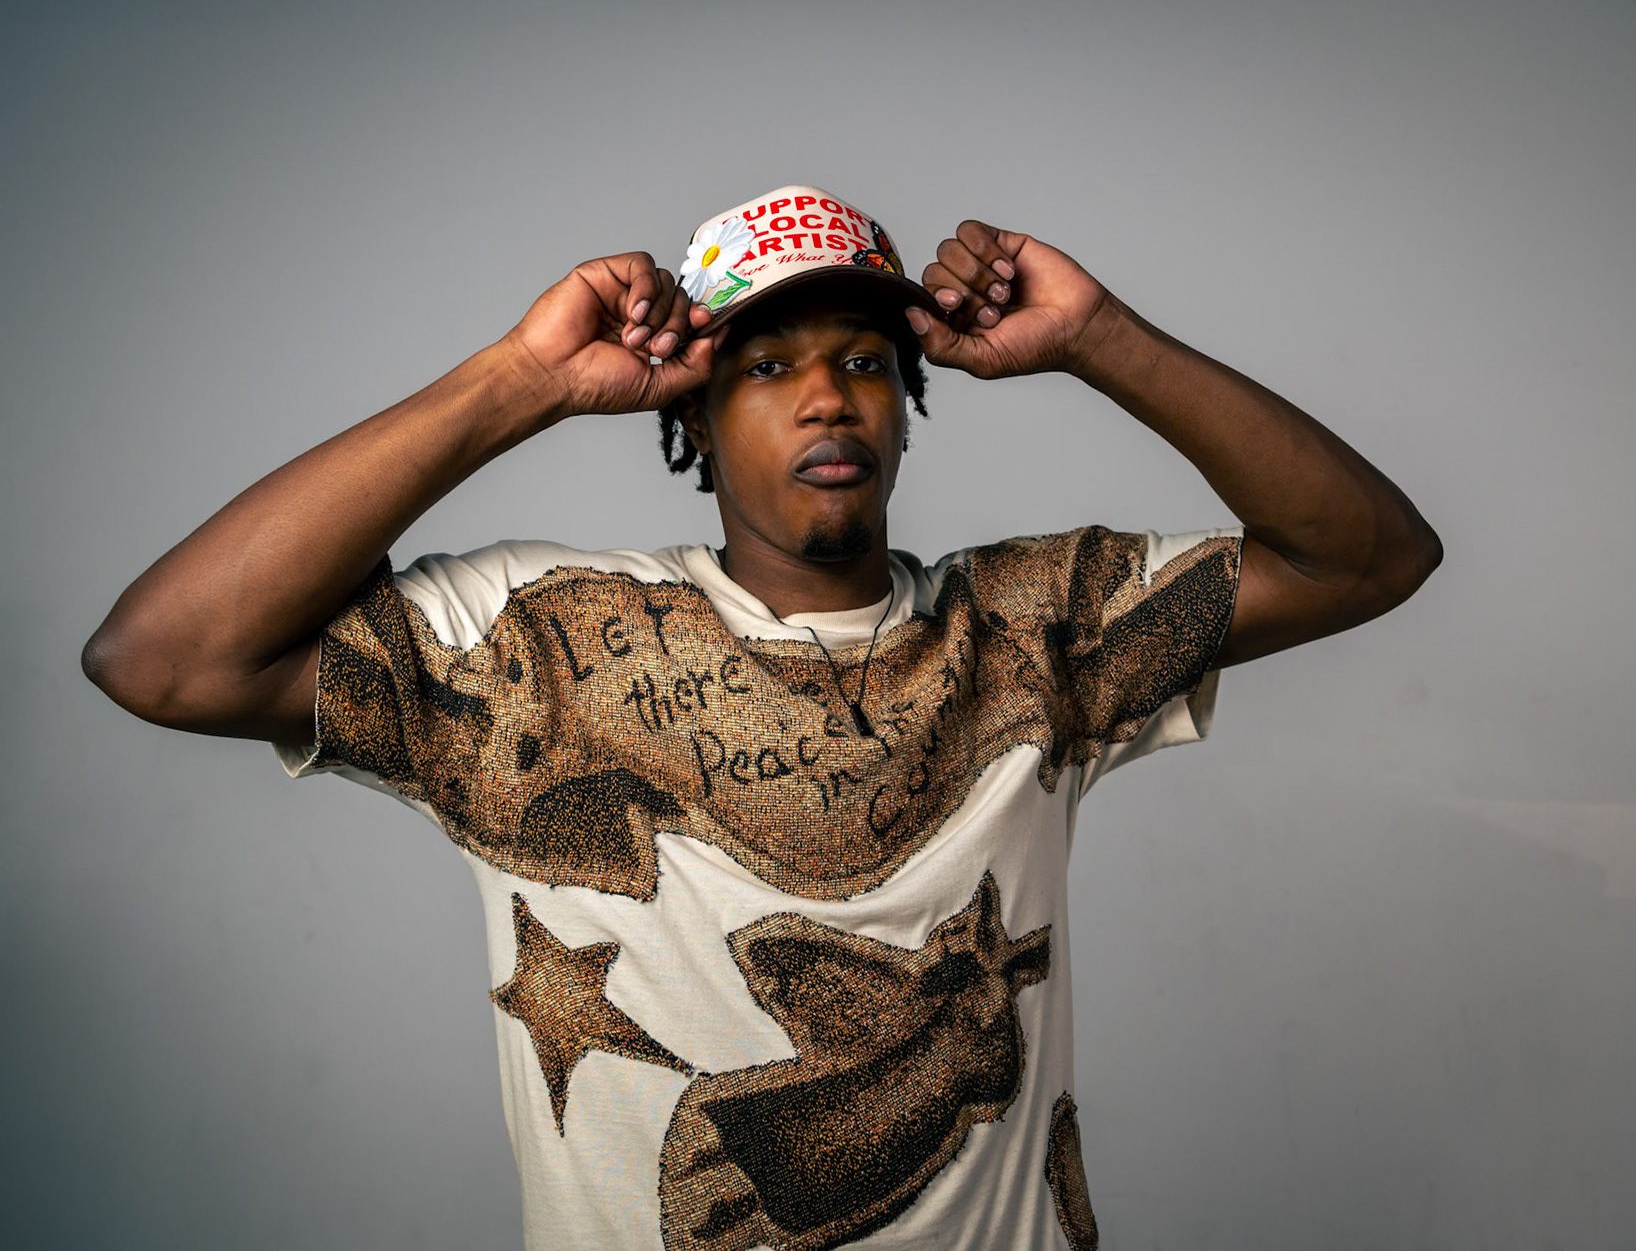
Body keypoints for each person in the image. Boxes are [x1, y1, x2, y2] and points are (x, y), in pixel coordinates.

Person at [83, 184, 1440, 1251]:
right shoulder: (536, 644)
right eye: (768, 365)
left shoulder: (1033, 630)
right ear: (693, 414)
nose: (826, 396)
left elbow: (1370, 556)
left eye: (864, 361)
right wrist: (520, 380)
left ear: (907, 409)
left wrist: (1099, 338)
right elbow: (164, 659)